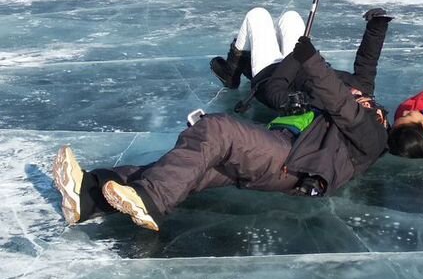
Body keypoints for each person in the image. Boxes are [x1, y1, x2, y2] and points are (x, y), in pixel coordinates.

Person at [52, 33, 390, 232]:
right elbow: (365, 67)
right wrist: (376, 26)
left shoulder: (371, 136)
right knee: (187, 169)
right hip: (279, 149)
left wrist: (312, 60)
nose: (355, 95)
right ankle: (89, 196)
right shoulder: (348, 112)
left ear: (377, 114)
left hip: (293, 163)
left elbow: (340, 99)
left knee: (217, 129)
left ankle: (153, 202)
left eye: (361, 98)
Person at [211, 7, 392, 117]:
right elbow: (368, 60)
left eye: (357, 100)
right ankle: (242, 63)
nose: (357, 91)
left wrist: (300, 57)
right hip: (301, 59)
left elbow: (275, 91)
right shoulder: (363, 88)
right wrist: (378, 24)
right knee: (290, 17)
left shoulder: (319, 105)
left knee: (257, 16)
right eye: (367, 100)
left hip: (270, 73)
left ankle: (231, 72)